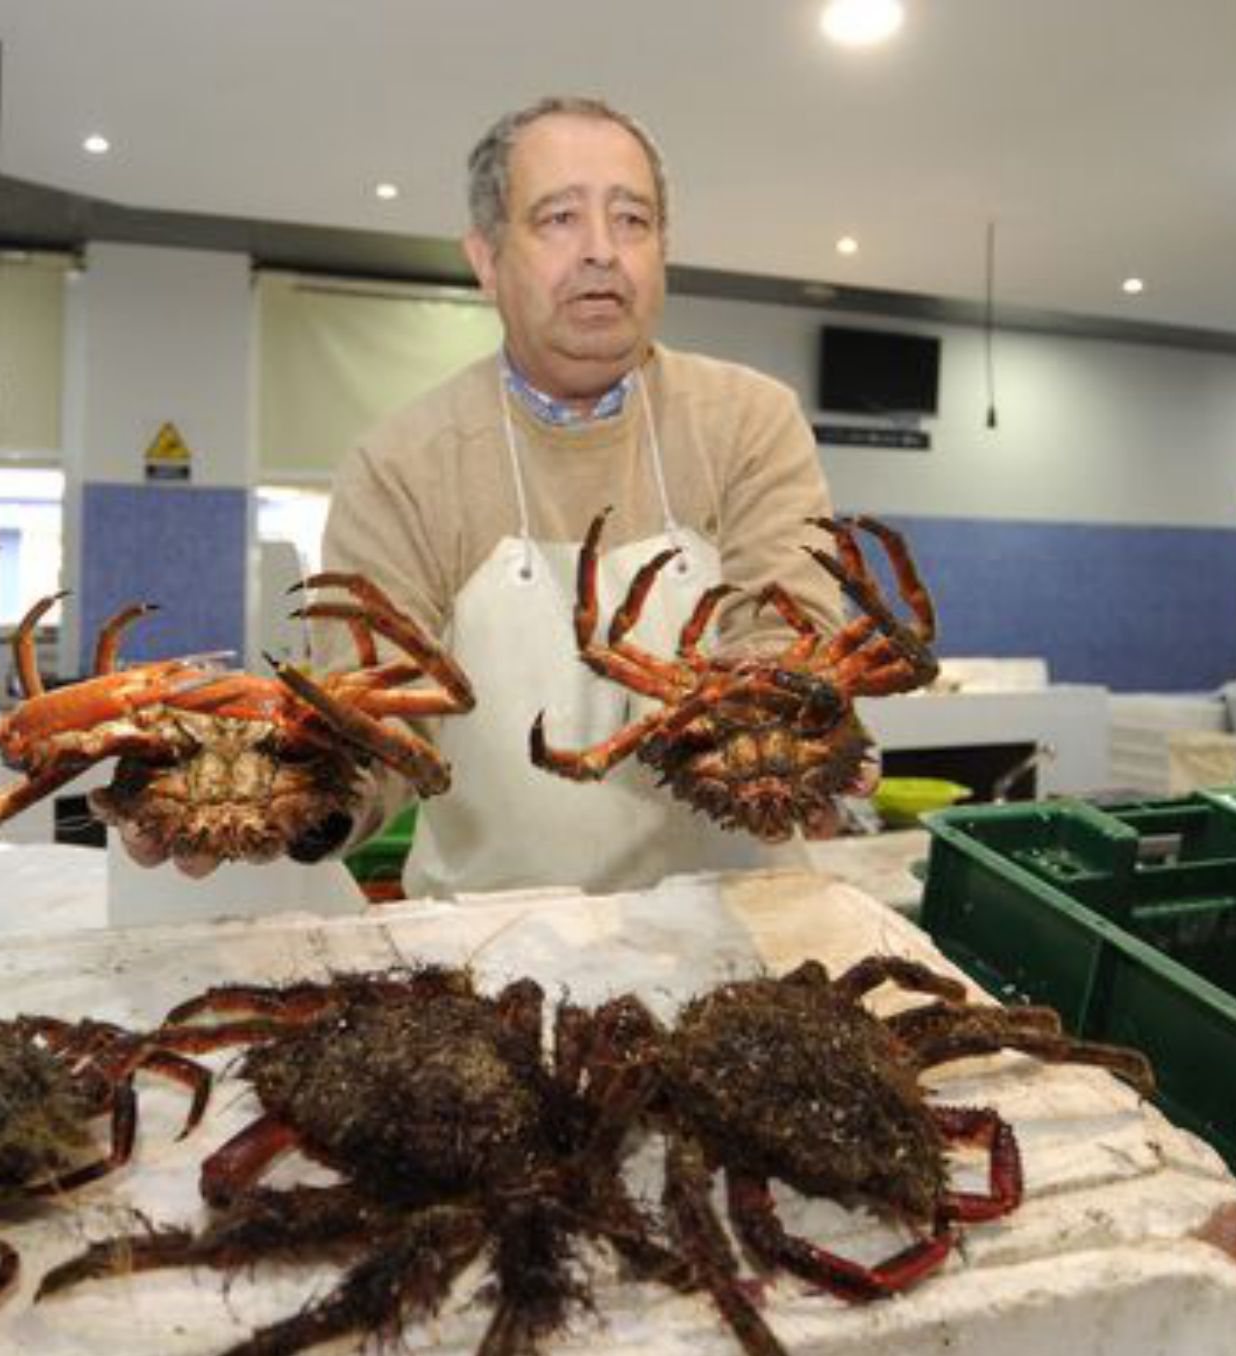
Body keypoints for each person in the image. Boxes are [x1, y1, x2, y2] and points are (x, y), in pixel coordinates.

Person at [319, 94, 846, 899]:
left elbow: (785, 630)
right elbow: (376, 708)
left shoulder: (749, 421)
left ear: (663, 249)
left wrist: (796, 725)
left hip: (745, 921)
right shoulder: (400, 465)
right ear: (487, 258)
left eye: (633, 220)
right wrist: (302, 798)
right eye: (559, 217)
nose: (603, 250)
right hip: (487, 950)